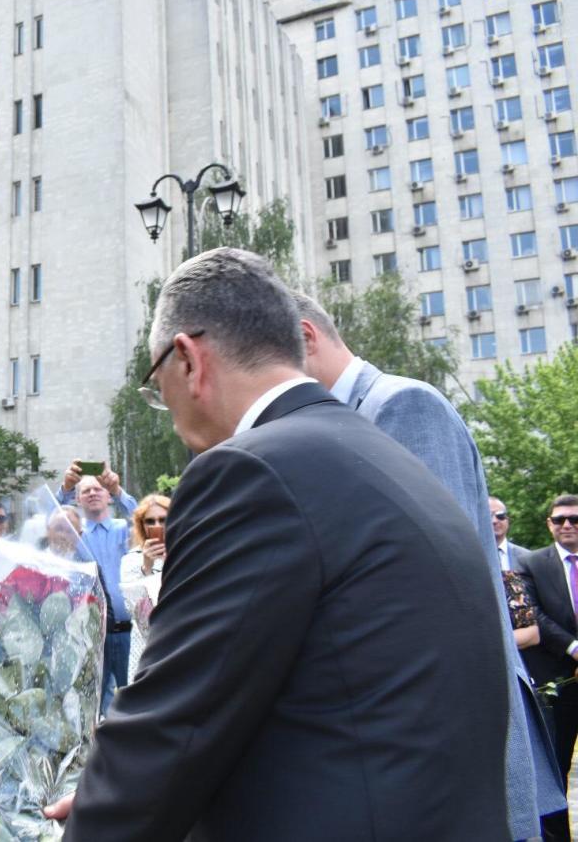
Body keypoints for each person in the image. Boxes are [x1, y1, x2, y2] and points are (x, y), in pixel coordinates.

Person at [49, 248, 509, 841]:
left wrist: (99, 818)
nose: (170, 416)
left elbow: (178, 717)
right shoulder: (381, 454)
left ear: (187, 359)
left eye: (158, 390)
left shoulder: (249, 471)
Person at [296, 292, 567, 841]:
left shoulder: (400, 406)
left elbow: (441, 597)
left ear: (304, 338)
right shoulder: (340, 420)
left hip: (457, 754)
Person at [56, 463, 136, 716]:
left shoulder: (125, 530)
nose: (92, 493)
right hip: (91, 635)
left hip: (128, 631)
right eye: (85, 490)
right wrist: (65, 488)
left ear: (108, 496)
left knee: (137, 698)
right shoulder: (75, 535)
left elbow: (146, 518)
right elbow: (50, 521)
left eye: (98, 489)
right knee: (96, 703)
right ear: (77, 499)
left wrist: (119, 490)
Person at [518, 495, 578, 824]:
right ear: (549, 524)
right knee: (557, 766)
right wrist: (574, 648)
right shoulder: (531, 564)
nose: (567, 525)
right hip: (558, 681)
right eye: (559, 519)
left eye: (574, 519)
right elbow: (535, 616)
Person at [119, 494, 170, 684]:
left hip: (180, 641)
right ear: (142, 525)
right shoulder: (132, 560)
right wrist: (146, 567)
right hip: (146, 647)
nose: (157, 525)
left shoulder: (186, 552)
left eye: (163, 520)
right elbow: (135, 610)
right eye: (150, 521)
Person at [493, 496, 528, 573]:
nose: (494, 521)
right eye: (488, 516)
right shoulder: (472, 556)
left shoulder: (527, 558)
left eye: (500, 516)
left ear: (507, 519)